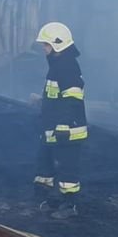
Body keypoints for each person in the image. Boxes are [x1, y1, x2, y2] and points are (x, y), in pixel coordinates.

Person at [34, 21, 87, 219]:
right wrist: (43, 101)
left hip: (67, 131)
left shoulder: (67, 67)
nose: (43, 48)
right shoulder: (57, 65)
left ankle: (69, 206)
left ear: (57, 44)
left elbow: (73, 98)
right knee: (44, 166)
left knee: (68, 170)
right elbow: (59, 96)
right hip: (52, 128)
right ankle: (45, 201)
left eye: (46, 44)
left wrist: (64, 125)